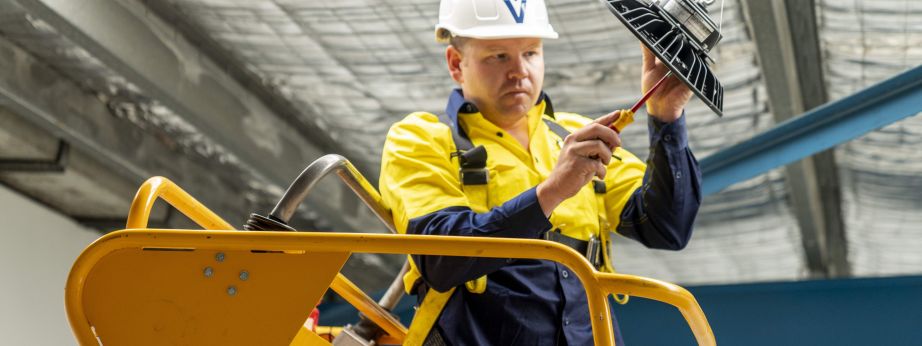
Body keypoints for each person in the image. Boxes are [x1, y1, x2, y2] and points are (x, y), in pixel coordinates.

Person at [379, 0, 701, 344]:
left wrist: (665, 117)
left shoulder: (577, 136)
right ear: (457, 64)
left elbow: (667, 229)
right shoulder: (421, 139)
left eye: (531, 53)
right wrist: (551, 192)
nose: (519, 71)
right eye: (498, 56)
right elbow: (440, 259)